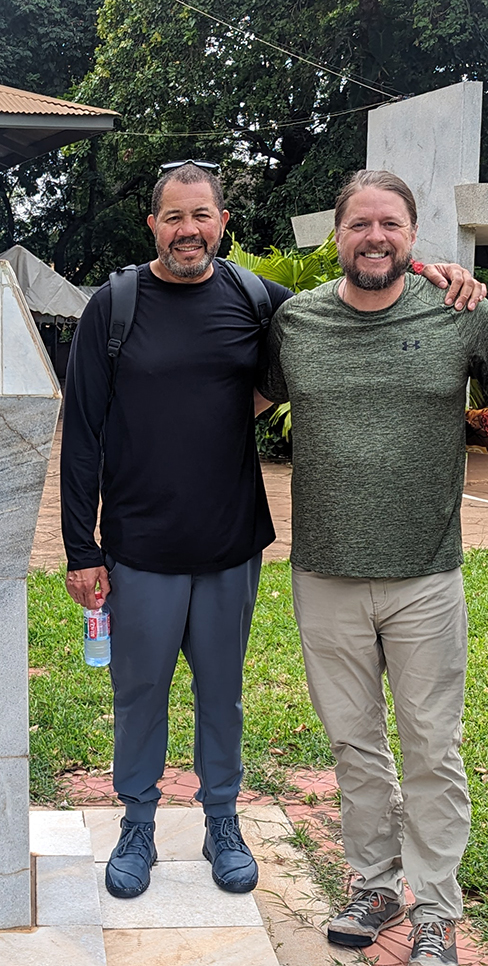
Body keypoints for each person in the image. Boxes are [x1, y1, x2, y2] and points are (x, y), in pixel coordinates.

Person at [60, 161, 484, 903]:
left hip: (231, 545)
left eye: (202, 215)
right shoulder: (115, 306)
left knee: (222, 695)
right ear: (153, 224)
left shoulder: (265, 303)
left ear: (225, 224)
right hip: (139, 547)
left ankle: (223, 820)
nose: (188, 229)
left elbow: (359, 300)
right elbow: (83, 434)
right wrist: (80, 547)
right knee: (139, 693)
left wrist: (437, 272)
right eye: (173, 216)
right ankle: (138, 823)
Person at [261, 169, 484, 966]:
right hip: (324, 573)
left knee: (431, 745)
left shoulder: (460, 313)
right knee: (354, 745)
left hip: (426, 575)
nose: (375, 238)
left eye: (390, 224)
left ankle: (436, 907)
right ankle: (375, 881)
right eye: (360, 224)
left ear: (413, 237)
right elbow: (234, 398)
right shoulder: (298, 321)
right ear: (338, 237)